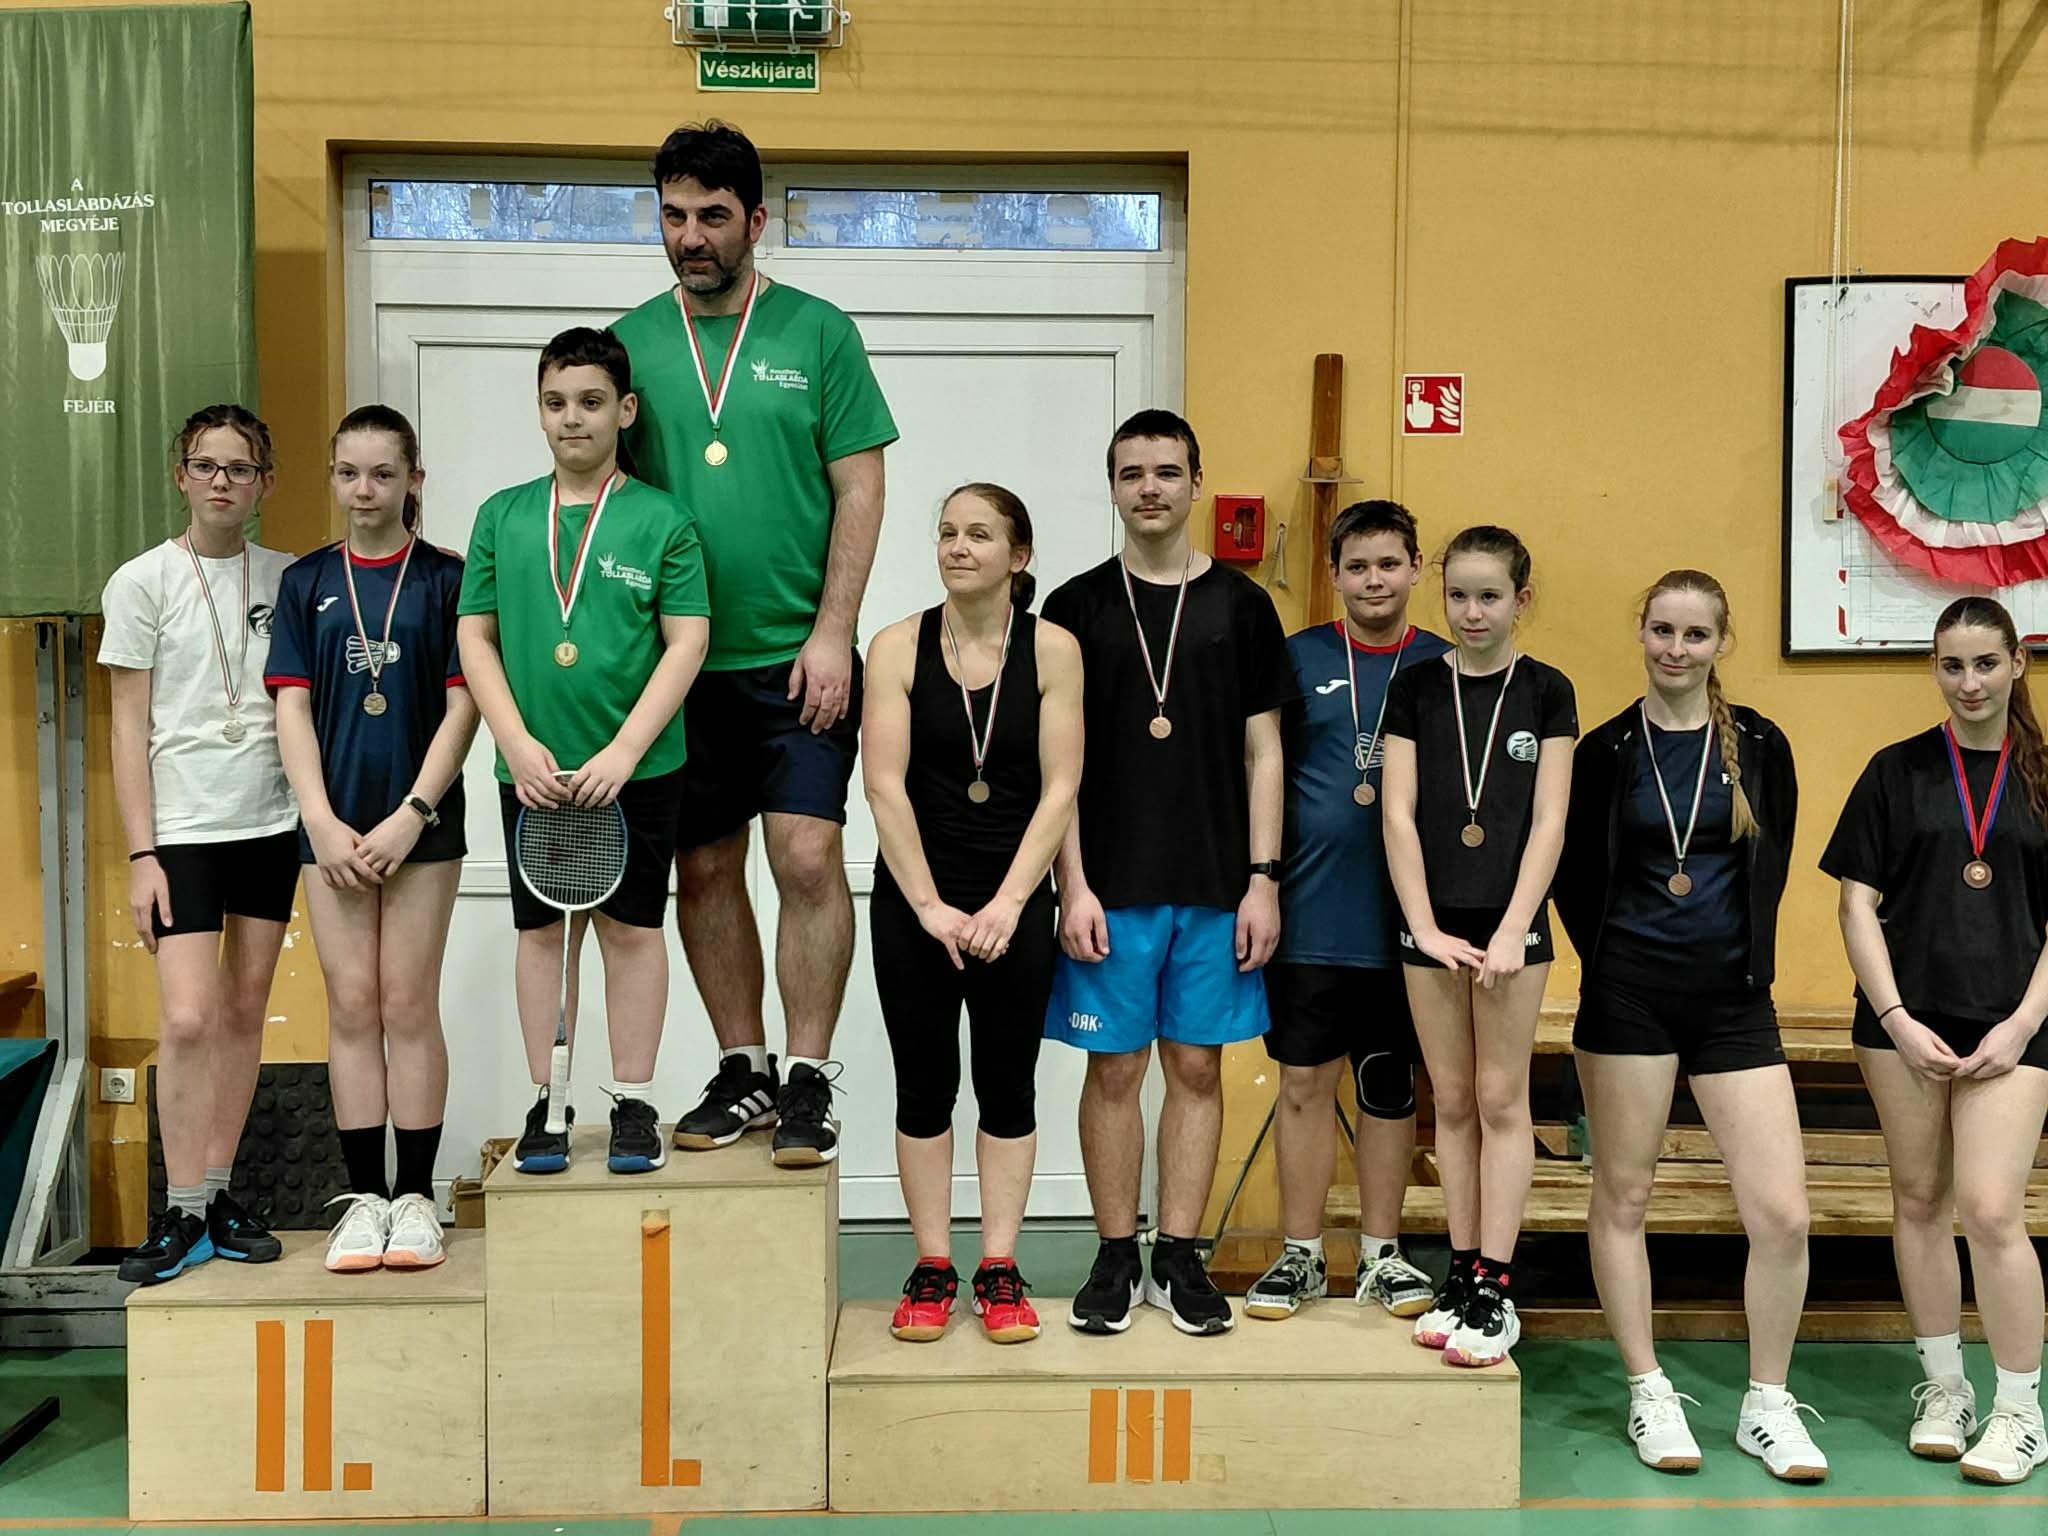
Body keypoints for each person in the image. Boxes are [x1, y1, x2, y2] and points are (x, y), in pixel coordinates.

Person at [613, 121, 898, 1167]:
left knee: (807, 855)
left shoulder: (818, 333)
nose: (691, 236)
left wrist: (834, 631)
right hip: (676, 668)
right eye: (673, 216)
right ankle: (744, 1068)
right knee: (702, 866)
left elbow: (859, 486)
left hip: (795, 656)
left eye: (713, 216)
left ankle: (808, 1074)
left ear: (756, 220)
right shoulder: (629, 342)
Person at [1556, 570, 1823, 1480]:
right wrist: (1616, 961)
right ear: (1642, 633)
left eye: (1695, 634)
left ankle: (1767, 1402)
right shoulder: (1606, 750)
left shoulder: (1760, 744)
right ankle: (1648, 1389)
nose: (1677, 649)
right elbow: (1575, 875)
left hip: (1732, 1002)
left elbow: (1772, 862)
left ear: (1721, 643)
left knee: (1783, 1214)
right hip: (1628, 999)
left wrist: (1733, 957)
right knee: (1624, 1198)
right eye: (1663, 630)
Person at [1045, 409, 1292, 1338]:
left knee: (1196, 1065)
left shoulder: (1243, 606)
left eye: (1165, 472)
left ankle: (1181, 1256)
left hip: (1217, 881)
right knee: (1114, 1069)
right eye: (1131, 473)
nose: (1149, 488)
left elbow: (1264, 753)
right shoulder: (1073, 608)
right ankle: (1117, 1254)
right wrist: (1071, 882)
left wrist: (1264, 879)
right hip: (1108, 883)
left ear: (1196, 481)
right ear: (1112, 487)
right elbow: (1057, 766)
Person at [457, 327, 711, 1175]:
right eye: (557, 402)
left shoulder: (664, 519)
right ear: (539, 411)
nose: (574, 418)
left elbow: (687, 641)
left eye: (592, 402)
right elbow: (476, 638)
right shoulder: (501, 516)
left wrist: (626, 751)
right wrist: (515, 741)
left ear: (625, 411)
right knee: (542, 936)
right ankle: (550, 1101)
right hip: (532, 772)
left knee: (632, 932)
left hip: (637, 771)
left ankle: (634, 1102)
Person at [1823, 595, 2048, 1486]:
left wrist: (2023, 1024)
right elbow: (1856, 904)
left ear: (2017, 663)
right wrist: (1895, 1019)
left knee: (1990, 1211)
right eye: (1952, 665)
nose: (1969, 682)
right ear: (1935, 669)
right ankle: (1947, 1387)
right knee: (1919, 1200)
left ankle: (2020, 1410)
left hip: (2015, 1025)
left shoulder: (2043, 775)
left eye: (1985, 663)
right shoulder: (1897, 770)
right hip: (1903, 1025)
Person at [862, 483, 1083, 1344]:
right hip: (916, 903)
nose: (958, 546)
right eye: (948, 532)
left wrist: (1010, 903)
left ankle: (997, 1265)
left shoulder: (1054, 649)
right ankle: (931, 1264)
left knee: (1007, 1086)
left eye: (980, 535)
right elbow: (883, 785)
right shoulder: (896, 646)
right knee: (923, 1088)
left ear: (1018, 556)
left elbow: (1061, 787)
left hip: (1013, 903)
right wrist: (930, 907)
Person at [268, 406, 478, 1272]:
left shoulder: (448, 578)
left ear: (413, 480)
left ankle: (417, 1197)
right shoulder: (306, 581)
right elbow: (291, 706)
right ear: (332, 477)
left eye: (383, 474)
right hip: (332, 828)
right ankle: (365, 1201)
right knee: (352, 1004)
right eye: (349, 473)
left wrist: (414, 812)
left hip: (420, 825)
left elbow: (466, 704)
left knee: (407, 1002)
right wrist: (319, 820)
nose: (365, 490)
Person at [100, 404, 295, 1284]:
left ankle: (216, 1194)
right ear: (181, 477)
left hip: (269, 821)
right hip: (180, 830)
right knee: (187, 1017)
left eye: (240, 468)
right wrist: (141, 855)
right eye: (207, 466)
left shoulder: (288, 578)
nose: (223, 481)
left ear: (264, 483)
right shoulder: (140, 582)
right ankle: (179, 1208)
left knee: (245, 1012)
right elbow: (127, 726)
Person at [1244, 500, 1448, 1323]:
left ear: (1416, 567)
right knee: (1302, 1083)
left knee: (1389, 1085)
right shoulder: (1295, 658)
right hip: (1308, 913)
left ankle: (1380, 1256)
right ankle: (1299, 1254)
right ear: (1333, 575)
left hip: (1405, 923)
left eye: (1389, 564)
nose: (1374, 581)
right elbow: (1258, 769)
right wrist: (1257, 884)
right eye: (1357, 567)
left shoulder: (1441, 664)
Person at [1380, 524, 1575, 1368]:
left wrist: (1512, 926)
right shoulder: (1417, 685)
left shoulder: (1547, 690)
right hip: (1430, 922)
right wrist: (1423, 924)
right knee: (1451, 1100)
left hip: (1511, 924)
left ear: (1520, 600)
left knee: (1501, 1099)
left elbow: (1550, 820)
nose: (1471, 611)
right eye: (1457, 595)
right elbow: (1396, 814)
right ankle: (1459, 1272)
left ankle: (1496, 1283)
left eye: (1489, 596)